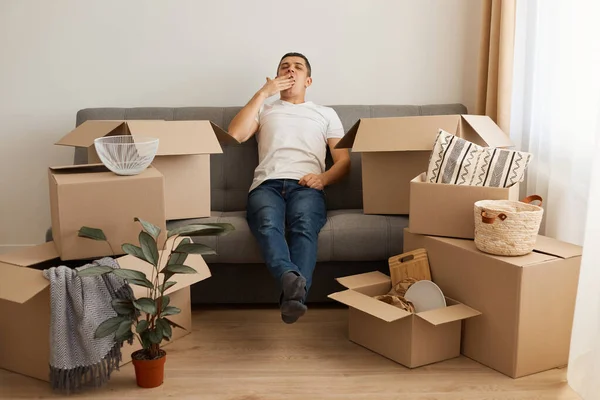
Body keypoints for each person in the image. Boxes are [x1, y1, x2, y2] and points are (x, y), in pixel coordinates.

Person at [228, 52, 351, 324]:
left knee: (304, 226)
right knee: (267, 224)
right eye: (284, 67)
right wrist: (264, 92)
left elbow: (343, 161)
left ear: (308, 80)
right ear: (277, 77)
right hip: (266, 185)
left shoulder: (325, 114)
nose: (290, 70)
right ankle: (293, 290)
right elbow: (235, 134)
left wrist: (323, 179)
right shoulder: (265, 109)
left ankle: (292, 293)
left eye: (297, 67)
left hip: (307, 184)